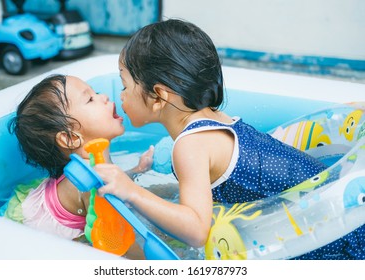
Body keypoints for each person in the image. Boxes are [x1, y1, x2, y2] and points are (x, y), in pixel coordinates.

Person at [94, 19, 364, 259]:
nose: (121, 95)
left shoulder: (190, 146)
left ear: (158, 97)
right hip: (351, 225)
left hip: (332, 244)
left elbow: (196, 230)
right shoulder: (219, 120)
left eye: (125, 85)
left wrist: (132, 192)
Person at [5, 74, 154, 259]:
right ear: (71, 138)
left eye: (97, 92)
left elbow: (116, 185)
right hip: (37, 230)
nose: (104, 96)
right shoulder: (89, 180)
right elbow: (119, 245)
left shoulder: (97, 160)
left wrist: (136, 170)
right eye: (91, 99)